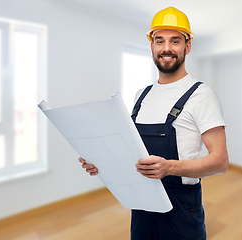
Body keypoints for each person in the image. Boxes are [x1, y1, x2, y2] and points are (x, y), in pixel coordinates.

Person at [79, 6, 228, 240]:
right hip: (142, 205)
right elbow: (133, 153)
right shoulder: (142, 95)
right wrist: (102, 164)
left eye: (175, 41)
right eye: (159, 41)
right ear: (152, 46)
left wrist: (169, 167)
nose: (166, 48)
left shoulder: (201, 94)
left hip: (181, 210)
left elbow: (220, 161)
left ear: (187, 47)